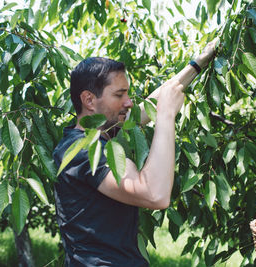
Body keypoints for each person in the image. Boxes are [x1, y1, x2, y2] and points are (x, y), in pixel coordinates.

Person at [52, 40, 217, 266]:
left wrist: (198, 63)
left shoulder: (104, 128)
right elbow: (155, 195)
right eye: (119, 95)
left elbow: (147, 106)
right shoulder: (81, 150)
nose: (129, 102)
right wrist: (167, 115)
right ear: (89, 100)